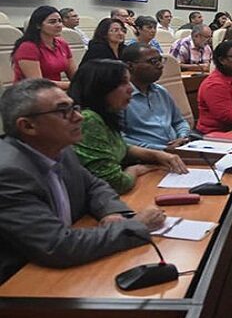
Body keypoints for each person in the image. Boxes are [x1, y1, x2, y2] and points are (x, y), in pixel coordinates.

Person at [0, 79, 167, 284]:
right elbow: (59, 246)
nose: (78, 117)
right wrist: (135, 226)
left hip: (62, 269)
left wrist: (111, 212)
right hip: (20, 283)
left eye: (74, 107)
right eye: (64, 111)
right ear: (28, 126)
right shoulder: (8, 173)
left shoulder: (60, 148)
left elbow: (94, 186)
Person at [68, 59, 187, 194]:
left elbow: (119, 146)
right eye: (123, 83)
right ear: (101, 87)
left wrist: (156, 155)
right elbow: (115, 182)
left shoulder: (105, 114)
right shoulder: (88, 119)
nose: (130, 89)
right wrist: (134, 170)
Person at [121, 44, 191, 150]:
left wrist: (182, 137)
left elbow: (179, 122)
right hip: (145, 157)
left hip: (178, 150)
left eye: (160, 60)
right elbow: (120, 140)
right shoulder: (120, 98)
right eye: (153, 62)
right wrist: (161, 149)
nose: (160, 66)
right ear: (130, 66)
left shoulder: (161, 91)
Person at [11, 6, 76, 90]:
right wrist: (73, 85)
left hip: (54, 92)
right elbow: (38, 83)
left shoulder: (62, 44)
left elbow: (74, 75)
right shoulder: (28, 47)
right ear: (38, 25)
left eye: (60, 21)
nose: (59, 25)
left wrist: (83, 84)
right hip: (29, 95)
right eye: (52, 22)